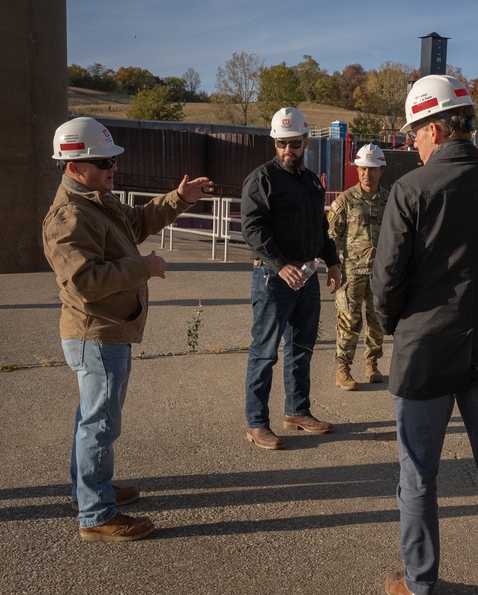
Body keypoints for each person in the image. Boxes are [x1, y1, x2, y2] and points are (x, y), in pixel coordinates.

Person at [371, 75, 478, 595]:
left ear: (437, 126)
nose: (413, 143)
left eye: (415, 132)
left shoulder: (411, 190)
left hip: (424, 351)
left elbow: (386, 280)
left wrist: (398, 323)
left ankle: (420, 587)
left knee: (417, 472)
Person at [43, 117, 215, 542]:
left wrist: (179, 198)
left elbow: (136, 223)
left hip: (108, 331)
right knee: (99, 424)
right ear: (73, 166)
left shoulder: (97, 200)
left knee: (94, 419)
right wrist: (145, 267)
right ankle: (96, 514)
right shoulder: (69, 215)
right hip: (95, 334)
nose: (112, 169)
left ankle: (90, 490)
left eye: (113, 161)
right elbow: (84, 280)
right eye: (103, 162)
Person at [242, 107, 342, 450]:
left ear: (305, 142)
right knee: (264, 352)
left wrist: (332, 261)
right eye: (283, 143)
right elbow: (252, 227)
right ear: (274, 141)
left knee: (302, 348)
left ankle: (298, 412)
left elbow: (321, 226)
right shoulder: (262, 179)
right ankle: (256, 422)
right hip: (273, 278)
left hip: (307, 274)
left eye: (295, 144)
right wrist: (279, 264)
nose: (289, 150)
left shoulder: (311, 181)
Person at [328, 143, 389, 391]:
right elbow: (331, 237)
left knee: (376, 321)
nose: (367, 173)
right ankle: (343, 369)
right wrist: (333, 267)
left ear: (381, 170)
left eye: (372, 169)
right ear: (357, 169)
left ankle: (372, 365)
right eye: (363, 168)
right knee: (348, 321)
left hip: (380, 274)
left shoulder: (390, 199)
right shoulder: (346, 200)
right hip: (352, 274)